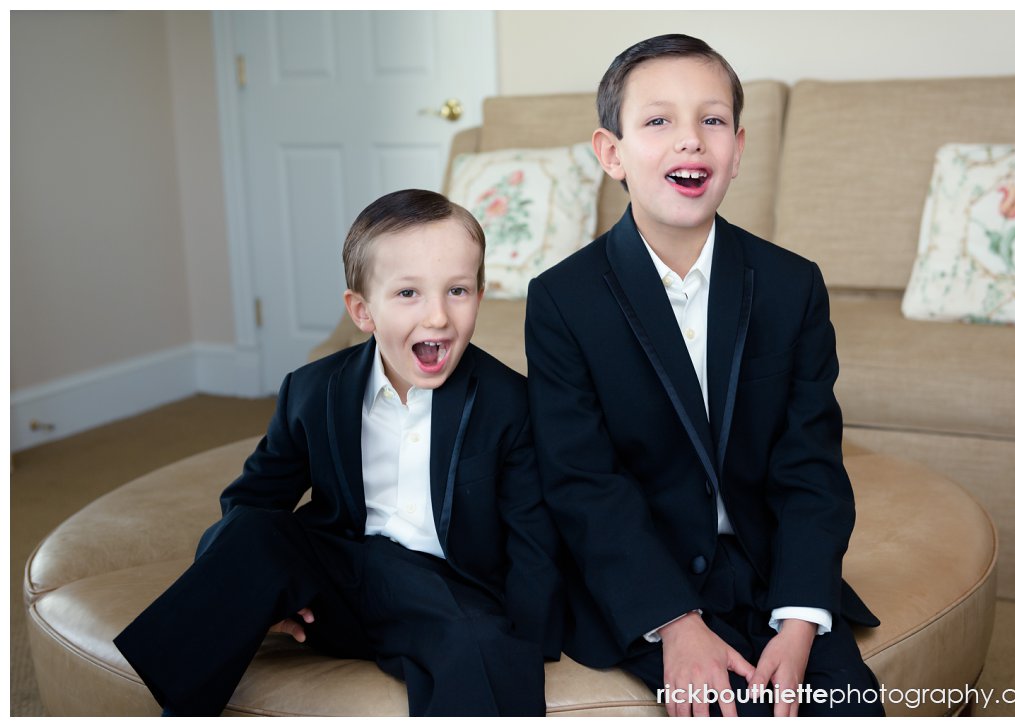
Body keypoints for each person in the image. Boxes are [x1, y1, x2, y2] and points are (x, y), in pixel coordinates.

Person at [524, 34, 883, 717]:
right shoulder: (563, 300)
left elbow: (811, 462)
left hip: (772, 563)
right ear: (612, 153)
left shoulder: (791, 285)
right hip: (653, 572)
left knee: (847, 705)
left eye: (711, 120)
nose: (690, 141)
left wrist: (802, 616)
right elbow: (583, 481)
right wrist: (677, 623)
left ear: (739, 149)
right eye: (658, 121)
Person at [115, 189, 562, 717]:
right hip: (336, 577)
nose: (438, 316)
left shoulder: (509, 402)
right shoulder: (312, 391)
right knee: (251, 532)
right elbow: (251, 501)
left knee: (482, 645)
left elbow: (535, 537)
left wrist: (531, 635)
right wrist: (258, 592)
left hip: (442, 593)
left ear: (480, 296)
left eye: (458, 291)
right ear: (362, 310)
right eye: (408, 294)